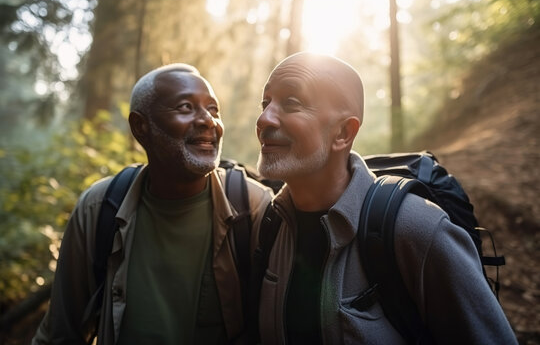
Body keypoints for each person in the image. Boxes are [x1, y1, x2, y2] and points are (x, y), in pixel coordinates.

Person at [254, 52, 517, 344]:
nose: (264, 118)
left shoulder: (416, 228)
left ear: (343, 132)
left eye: (291, 103)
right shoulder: (269, 225)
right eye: (266, 103)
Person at [32, 63, 273, 344]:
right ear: (141, 127)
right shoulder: (98, 209)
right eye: (185, 107)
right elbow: (61, 333)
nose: (208, 121)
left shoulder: (254, 208)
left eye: (213, 109)